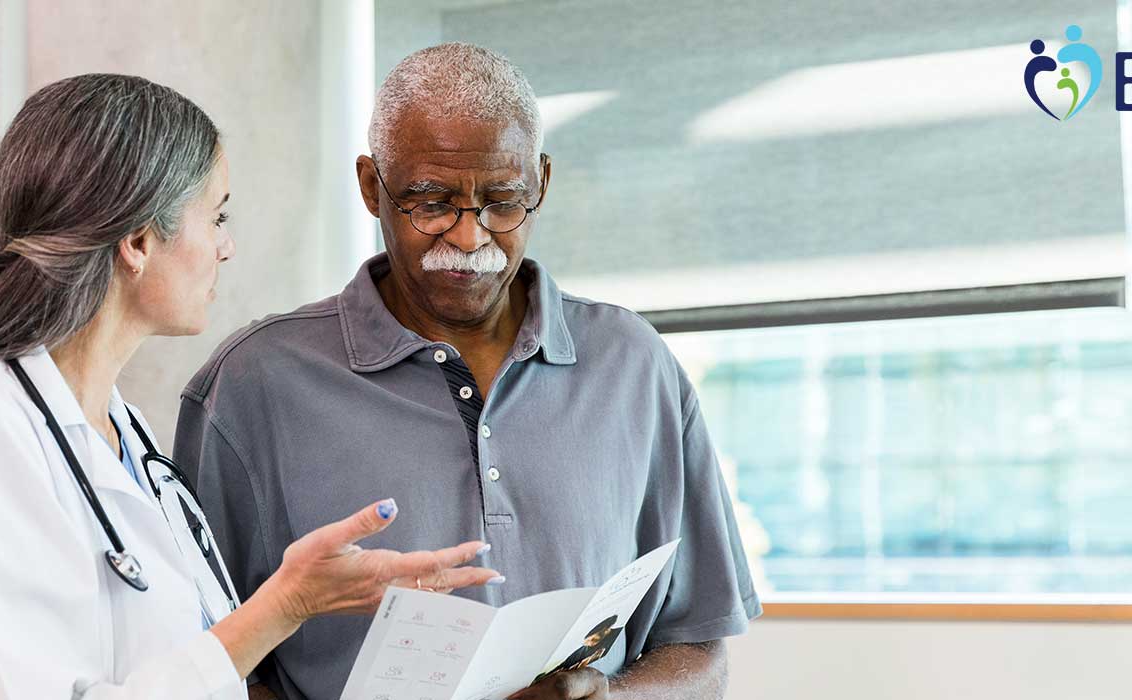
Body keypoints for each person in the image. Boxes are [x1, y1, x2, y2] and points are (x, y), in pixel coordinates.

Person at [0, 73, 501, 699]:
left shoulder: (125, 436)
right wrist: (287, 603)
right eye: (216, 216)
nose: (225, 247)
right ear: (138, 240)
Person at [175, 43, 760, 700]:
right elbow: (198, 667)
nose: (469, 236)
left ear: (541, 181)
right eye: (431, 201)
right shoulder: (254, 385)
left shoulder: (634, 366)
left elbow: (701, 650)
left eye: (504, 202)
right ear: (372, 187)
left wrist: (612, 698)